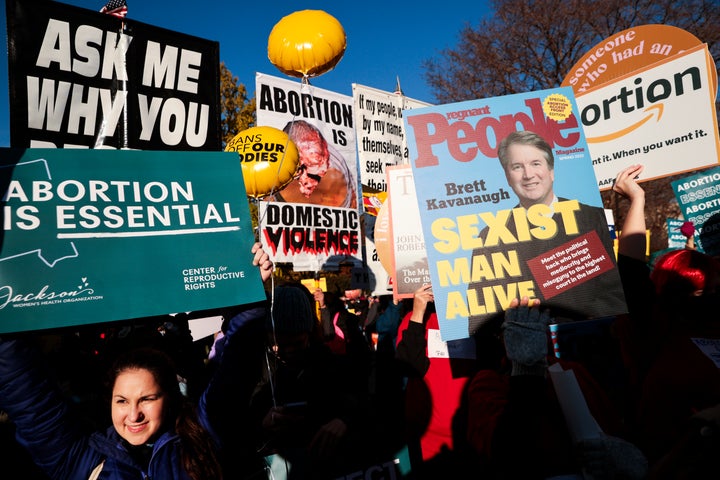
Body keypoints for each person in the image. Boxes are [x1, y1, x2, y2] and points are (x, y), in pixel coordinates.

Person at [0, 242, 274, 480]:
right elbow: (29, 399)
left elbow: (236, 366)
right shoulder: (81, 461)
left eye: (147, 399)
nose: (133, 415)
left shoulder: (204, 438)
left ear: (170, 398)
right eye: (122, 401)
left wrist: (248, 288)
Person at [466, 295, 648, 480]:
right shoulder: (489, 384)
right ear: (502, 337)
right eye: (517, 325)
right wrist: (527, 372)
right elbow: (506, 455)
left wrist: (628, 457)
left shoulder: (572, 370)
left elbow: (613, 430)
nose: (531, 330)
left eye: (537, 320)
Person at [612, 164, 720, 472]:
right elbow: (631, 269)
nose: (710, 298)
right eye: (699, 292)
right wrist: (637, 200)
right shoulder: (658, 326)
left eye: (715, 289)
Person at [467, 129, 626, 334]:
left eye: (535, 163)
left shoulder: (592, 218)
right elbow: (480, 318)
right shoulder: (490, 236)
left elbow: (613, 293)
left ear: (551, 171)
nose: (528, 174)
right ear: (507, 177)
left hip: (591, 346)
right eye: (517, 167)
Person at [249, 282, 373, 479]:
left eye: (297, 343)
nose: (288, 351)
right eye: (278, 344)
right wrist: (261, 425)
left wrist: (344, 421)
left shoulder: (330, 364)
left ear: (309, 332)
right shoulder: (252, 369)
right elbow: (230, 427)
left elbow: (365, 402)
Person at [395, 284, 479, 478]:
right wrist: (417, 313)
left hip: (470, 438)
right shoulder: (416, 320)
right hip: (427, 443)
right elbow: (406, 366)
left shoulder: (477, 324)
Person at [270, 120, 357, 208]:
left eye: (323, 158)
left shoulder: (336, 167)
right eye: (315, 161)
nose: (323, 169)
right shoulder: (274, 173)